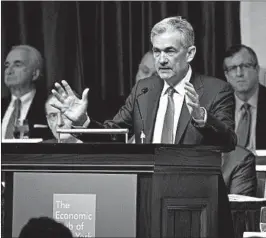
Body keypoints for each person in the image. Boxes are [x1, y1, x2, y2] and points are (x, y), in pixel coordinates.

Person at [51, 16, 236, 151]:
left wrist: (201, 117)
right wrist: (84, 122)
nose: (161, 60)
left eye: (170, 51)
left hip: (193, 194)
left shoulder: (217, 90)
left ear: (190, 53)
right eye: (157, 51)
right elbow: (115, 136)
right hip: (147, 189)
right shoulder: (144, 89)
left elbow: (228, 143)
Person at [223, 44, 266, 152]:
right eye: (232, 68)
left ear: (257, 69)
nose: (239, 73)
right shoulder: (220, 106)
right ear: (227, 76)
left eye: (245, 66)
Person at [2, 45, 49, 140]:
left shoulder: (49, 106)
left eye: (17, 65)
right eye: (7, 65)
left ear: (35, 74)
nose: (9, 71)